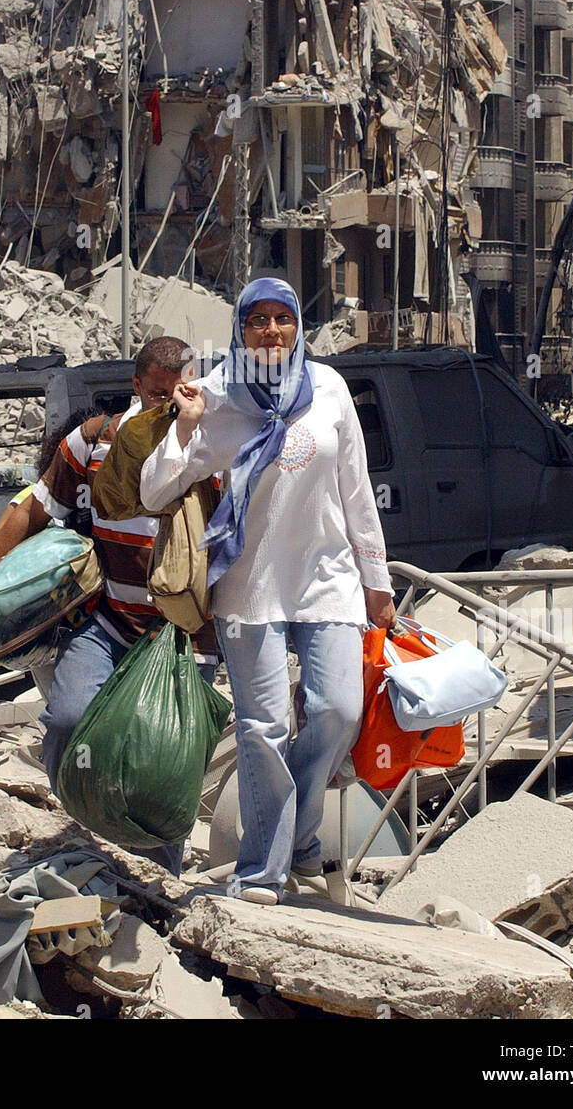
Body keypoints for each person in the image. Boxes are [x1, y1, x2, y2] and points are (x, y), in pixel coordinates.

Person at [140, 278, 395, 904]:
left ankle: (301, 836)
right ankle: (263, 868)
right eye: (259, 320)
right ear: (242, 330)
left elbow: (358, 493)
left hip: (327, 580)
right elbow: (153, 491)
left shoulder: (330, 388)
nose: (273, 331)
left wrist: (376, 582)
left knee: (338, 708)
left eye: (284, 318)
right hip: (249, 590)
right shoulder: (217, 397)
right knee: (264, 727)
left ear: (299, 325)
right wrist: (183, 427)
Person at [0, 335, 218, 874]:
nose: (170, 407)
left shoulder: (212, 446)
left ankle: (157, 881)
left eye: (180, 395)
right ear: (136, 387)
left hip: (182, 638)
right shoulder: (95, 442)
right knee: (69, 719)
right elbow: (39, 505)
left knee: (163, 760)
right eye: (158, 396)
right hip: (108, 622)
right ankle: (86, 828)